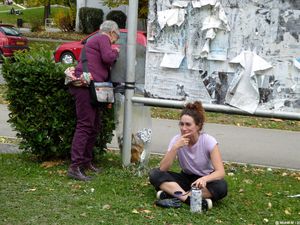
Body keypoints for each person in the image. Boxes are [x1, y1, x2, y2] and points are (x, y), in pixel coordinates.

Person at [67, 20, 120, 181]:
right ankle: (75, 167)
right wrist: (116, 51)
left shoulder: (95, 40)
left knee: (94, 126)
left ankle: (86, 162)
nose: (115, 41)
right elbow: (108, 57)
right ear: (111, 32)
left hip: (91, 88)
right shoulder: (103, 37)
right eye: (116, 38)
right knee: (85, 126)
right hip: (85, 87)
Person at [149, 101, 227, 209]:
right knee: (154, 174)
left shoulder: (208, 141)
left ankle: (173, 194)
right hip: (185, 179)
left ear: (198, 126)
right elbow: (163, 168)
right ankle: (190, 200)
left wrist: (204, 179)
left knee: (221, 187)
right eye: (181, 124)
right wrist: (175, 147)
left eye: (188, 124)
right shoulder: (177, 140)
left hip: (203, 182)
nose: (183, 128)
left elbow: (220, 172)